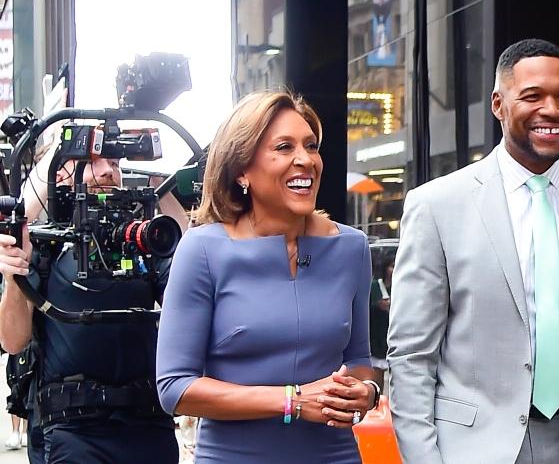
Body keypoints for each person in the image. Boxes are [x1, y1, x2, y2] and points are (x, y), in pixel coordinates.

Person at [388, 39, 559, 464]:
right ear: (498, 104)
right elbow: (412, 358)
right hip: (470, 451)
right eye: (532, 96)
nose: (551, 109)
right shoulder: (437, 206)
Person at [156, 90, 380, 463]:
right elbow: (175, 388)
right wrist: (292, 401)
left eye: (311, 146)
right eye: (284, 147)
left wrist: (366, 391)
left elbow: (358, 359)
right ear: (242, 169)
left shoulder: (352, 248)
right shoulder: (202, 250)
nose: (305, 160)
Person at [0, 143, 189, 463]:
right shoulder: (45, 244)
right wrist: (15, 274)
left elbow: (186, 295)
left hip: (147, 423)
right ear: (59, 174)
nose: (107, 170)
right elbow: (13, 340)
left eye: (115, 162)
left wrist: (162, 189)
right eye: (91, 162)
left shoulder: (142, 241)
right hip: (72, 430)